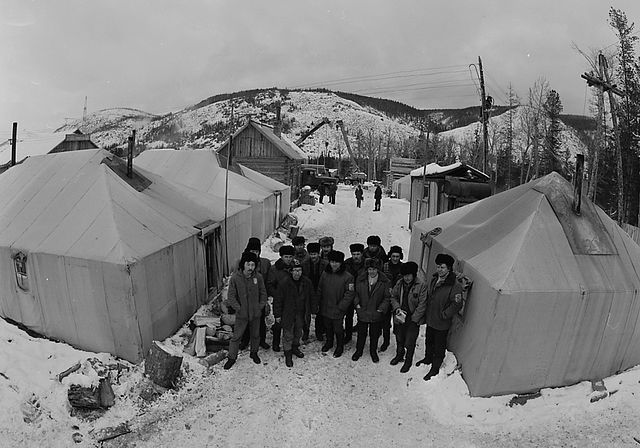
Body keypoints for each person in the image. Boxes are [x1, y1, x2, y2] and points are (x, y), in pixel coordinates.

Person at [418, 253, 464, 381]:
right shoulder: (434, 279)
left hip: (442, 322)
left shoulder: (455, 286)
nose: (439, 269)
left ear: (449, 268)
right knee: (429, 340)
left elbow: (457, 304)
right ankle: (427, 358)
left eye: (442, 267)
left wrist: (445, 314)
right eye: (438, 266)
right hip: (431, 318)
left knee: (439, 346)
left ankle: (435, 367)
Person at [224, 251, 268, 370]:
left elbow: (263, 294)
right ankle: (231, 358)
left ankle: (254, 353)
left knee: (255, 335)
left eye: (253, 265)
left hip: (255, 313)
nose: (250, 268)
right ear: (243, 264)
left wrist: (260, 307)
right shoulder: (235, 278)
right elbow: (231, 297)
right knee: (237, 336)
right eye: (248, 264)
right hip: (242, 314)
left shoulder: (258, 277)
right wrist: (239, 308)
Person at [389, 261, 428, 373]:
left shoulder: (421, 286)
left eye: (409, 275)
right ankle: (399, 355)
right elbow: (393, 297)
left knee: (410, 341)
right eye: (405, 275)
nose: (406, 278)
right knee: (399, 337)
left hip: (412, 317)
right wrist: (397, 308)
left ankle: (408, 360)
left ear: (413, 275)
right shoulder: (399, 283)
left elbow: (422, 304)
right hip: (400, 315)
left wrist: (415, 318)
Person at [274, 259, 312, 367]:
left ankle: (295, 347)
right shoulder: (284, 283)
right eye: (295, 270)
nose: (297, 273)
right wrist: (277, 315)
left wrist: (313, 310)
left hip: (301, 313)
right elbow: (278, 300)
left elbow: (311, 296)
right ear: (291, 271)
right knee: (288, 334)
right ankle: (288, 353)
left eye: (299, 270)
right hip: (288, 313)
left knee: (298, 332)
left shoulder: (306, 282)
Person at [352, 258, 390, 363]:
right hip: (363, 311)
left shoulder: (384, 281)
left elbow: (387, 297)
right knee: (361, 333)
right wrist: (357, 304)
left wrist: (381, 309)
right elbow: (355, 293)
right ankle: (358, 351)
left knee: (374, 334)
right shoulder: (360, 279)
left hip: (375, 312)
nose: (371, 271)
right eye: (369, 269)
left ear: (377, 269)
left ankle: (373, 351)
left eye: (373, 269)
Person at [318, 250, 355, 358]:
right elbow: (320, 288)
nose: (334, 264)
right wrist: (318, 302)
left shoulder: (348, 277)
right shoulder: (325, 273)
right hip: (326, 306)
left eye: (337, 262)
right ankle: (329, 342)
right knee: (328, 327)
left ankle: (339, 346)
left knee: (338, 328)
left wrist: (342, 306)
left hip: (338, 307)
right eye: (332, 262)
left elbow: (350, 293)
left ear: (341, 263)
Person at [238, 238, 272, 350]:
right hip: (246, 299)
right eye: (252, 251)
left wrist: (265, 299)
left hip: (259, 299)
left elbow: (268, 283)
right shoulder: (242, 264)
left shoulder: (265, 263)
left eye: (256, 252)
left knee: (261, 321)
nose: (254, 254)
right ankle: (245, 340)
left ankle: (261, 340)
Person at [266, 245, 296, 352]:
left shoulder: (295, 267)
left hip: (292, 300)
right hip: (280, 300)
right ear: (281, 256)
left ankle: (290, 342)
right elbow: (270, 285)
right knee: (278, 322)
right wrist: (278, 295)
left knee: (291, 321)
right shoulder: (275, 269)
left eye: (290, 257)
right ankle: (275, 343)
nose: (288, 259)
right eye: (286, 257)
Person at [302, 242, 328, 341]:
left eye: (315, 254)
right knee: (306, 313)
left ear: (318, 253)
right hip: (308, 291)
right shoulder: (304, 264)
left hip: (321, 291)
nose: (313, 256)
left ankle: (319, 331)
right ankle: (306, 331)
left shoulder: (325, 264)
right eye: (311, 254)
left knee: (320, 313)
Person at [380, 245, 403, 352]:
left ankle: (399, 343)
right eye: (393, 256)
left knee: (398, 322)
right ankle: (386, 341)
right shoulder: (384, 266)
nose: (395, 258)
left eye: (397, 256)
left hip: (398, 299)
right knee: (385, 321)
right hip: (386, 297)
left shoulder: (403, 268)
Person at [343, 243, 366, 343]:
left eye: (358, 254)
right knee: (348, 315)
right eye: (354, 254)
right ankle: (348, 335)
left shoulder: (366, 264)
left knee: (362, 316)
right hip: (350, 293)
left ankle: (361, 337)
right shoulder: (347, 263)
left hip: (362, 294)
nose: (356, 256)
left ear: (362, 254)